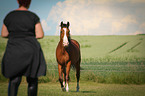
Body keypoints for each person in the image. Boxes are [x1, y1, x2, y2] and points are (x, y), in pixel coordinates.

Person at [1, 0, 46, 96]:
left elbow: (4, 34)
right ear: (29, 2)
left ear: (18, 1)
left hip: (14, 50)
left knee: (14, 79)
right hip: (31, 50)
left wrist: (15, 35)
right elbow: (40, 34)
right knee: (32, 80)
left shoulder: (10, 16)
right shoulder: (33, 16)